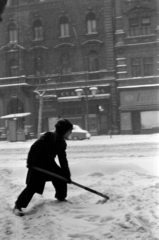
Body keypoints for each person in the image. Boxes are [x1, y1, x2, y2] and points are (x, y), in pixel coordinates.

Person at [13, 118, 73, 216]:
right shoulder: (49, 136)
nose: (70, 133)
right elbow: (34, 147)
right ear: (63, 130)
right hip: (38, 165)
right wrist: (30, 162)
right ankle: (18, 206)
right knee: (32, 187)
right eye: (69, 131)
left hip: (49, 165)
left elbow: (63, 160)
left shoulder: (62, 143)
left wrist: (67, 174)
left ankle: (61, 198)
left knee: (61, 177)